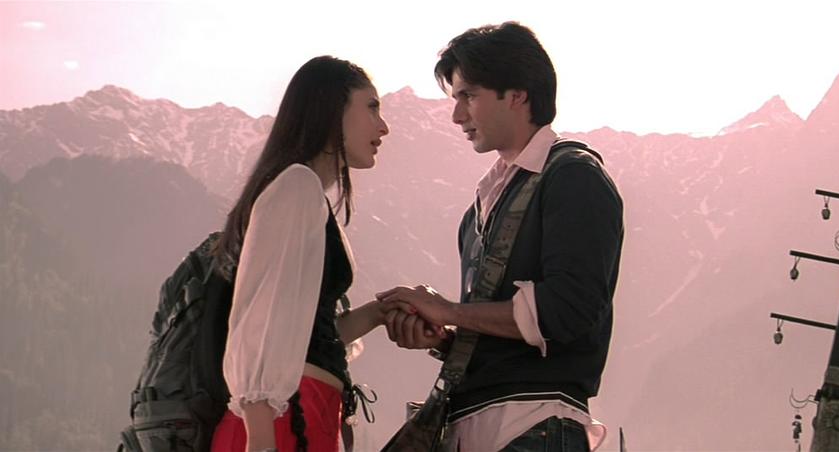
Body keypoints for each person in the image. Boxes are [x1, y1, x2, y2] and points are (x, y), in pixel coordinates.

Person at [377, 22, 624, 452]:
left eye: (469, 96)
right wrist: (445, 336)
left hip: (534, 421)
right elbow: (511, 335)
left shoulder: (574, 177)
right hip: (478, 424)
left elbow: (567, 310)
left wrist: (450, 311)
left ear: (517, 94)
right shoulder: (478, 209)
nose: (457, 116)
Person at [209, 55, 390, 452]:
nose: (383, 126)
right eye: (372, 107)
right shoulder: (297, 186)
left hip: (301, 420)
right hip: (280, 426)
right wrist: (261, 441)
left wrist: (380, 313)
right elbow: (259, 322)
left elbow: (305, 334)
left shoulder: (302, 191)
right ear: (332, 109)